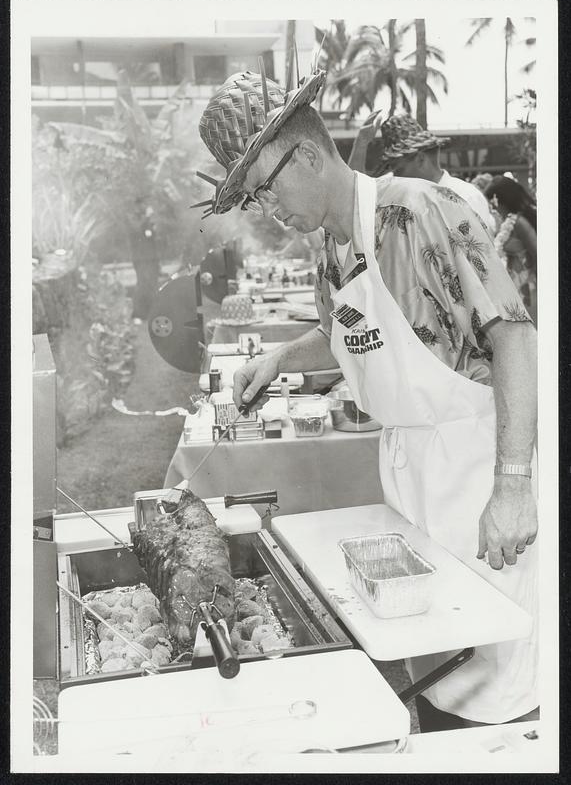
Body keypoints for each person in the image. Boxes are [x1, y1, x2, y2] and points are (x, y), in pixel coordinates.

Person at [194, 67, 538, 731]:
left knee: (501, 686)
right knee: (436, 670)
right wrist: (279, 357)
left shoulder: (422, 211)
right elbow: (348, 332)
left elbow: (514, 335)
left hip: (479, 472)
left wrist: (514, 484)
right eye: (253, 200)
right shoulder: (334, 247)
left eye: (264, 189)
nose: (268, 210)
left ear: (310, 153)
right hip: (413, 487)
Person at [348, 112, 497, 236]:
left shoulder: (465, 196)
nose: (395, 175)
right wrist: (361, 144)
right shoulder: (395, 192)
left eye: (399, 169)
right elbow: (357, 194)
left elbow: (483, 258)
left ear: (420, 159)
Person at [484, 175, 537, 324]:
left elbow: (539, 254)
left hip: (526, 290)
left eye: (493, 202)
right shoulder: (508, 221)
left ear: (502, 199)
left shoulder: (519, 222)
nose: (493, 207)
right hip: (513, 289)